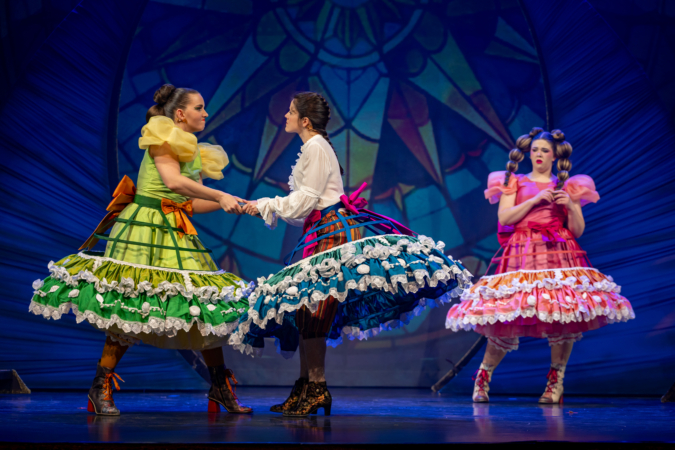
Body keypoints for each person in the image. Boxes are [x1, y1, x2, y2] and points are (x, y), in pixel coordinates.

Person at [232, 92, 472, 416]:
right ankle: (306, 385)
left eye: (290, 112)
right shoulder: (313, 147)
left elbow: (305, 200)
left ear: (305, 120)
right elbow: (305, 208)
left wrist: (265, 204)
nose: (285, 116)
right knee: (306, 308)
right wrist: (266, 207)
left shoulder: (316, 146)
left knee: (315, 307)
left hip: (332, 229)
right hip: (320, 228)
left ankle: (317, 387)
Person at [29, 84, 253, 415]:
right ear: (180, 114)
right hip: (147, 227)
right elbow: (172, 182)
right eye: (199, 107)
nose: (205, 113)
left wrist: (233, 204)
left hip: (175, 228)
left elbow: (189, 202)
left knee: (199, 305)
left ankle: (219, 385)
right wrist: (220, 195)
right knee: (130, 304)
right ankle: (100, 386)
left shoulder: (192, 148)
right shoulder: (162, 136)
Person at [445, 127, 635, 403]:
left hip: (558, 252)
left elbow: (577, 230)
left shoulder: (567, 185)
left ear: (554, 155)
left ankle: (555, 382)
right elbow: (505, 217)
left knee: (561, 315)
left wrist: (571, 205)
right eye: (535, 150)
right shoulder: (514, 181)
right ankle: (483, 377)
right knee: (506, 314)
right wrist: (534, 200)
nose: (538, 154)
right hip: (523, 252)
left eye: (545, 150)